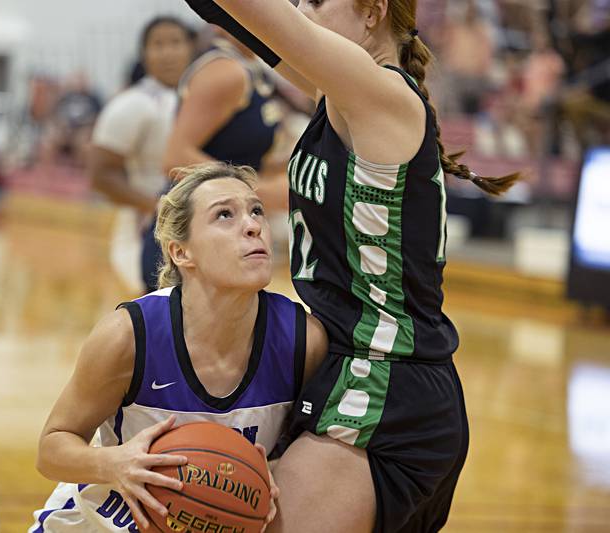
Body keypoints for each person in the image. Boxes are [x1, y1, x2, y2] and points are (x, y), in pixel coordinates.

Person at [181, 1, 521, 532]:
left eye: (315, 0)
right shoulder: (336, 96)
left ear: (372, 13)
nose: (299, 8)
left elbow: (266, 18)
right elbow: (234, 17)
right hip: (353, 371)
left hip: (385, 383)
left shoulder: (382, 95)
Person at [30, 163, 327, 533]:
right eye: (224, 215)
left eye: (256, 211)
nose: (253, 226)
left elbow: (311, 452)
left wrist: (268, 480)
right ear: (181, 252)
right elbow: (52, 449)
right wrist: (115, 463)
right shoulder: (129, 337)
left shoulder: (303, 340)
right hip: (101, 523)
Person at [138, 30, 284, 292]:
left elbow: (241, 157)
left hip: (230, 231)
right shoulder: (225, 71)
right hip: (194, 236)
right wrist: (266, 194)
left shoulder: (253, 67)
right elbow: (176, 159)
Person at [88, 17, 195, 294]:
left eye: (175, 42)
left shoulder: (204, 98)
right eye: (158, 44)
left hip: (195, 225)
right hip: (143, 229)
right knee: (157, 311)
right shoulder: (131, 105)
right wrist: (155, 207)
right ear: (143, 53)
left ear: (191, 48)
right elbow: (100, 175)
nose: (168, 52)